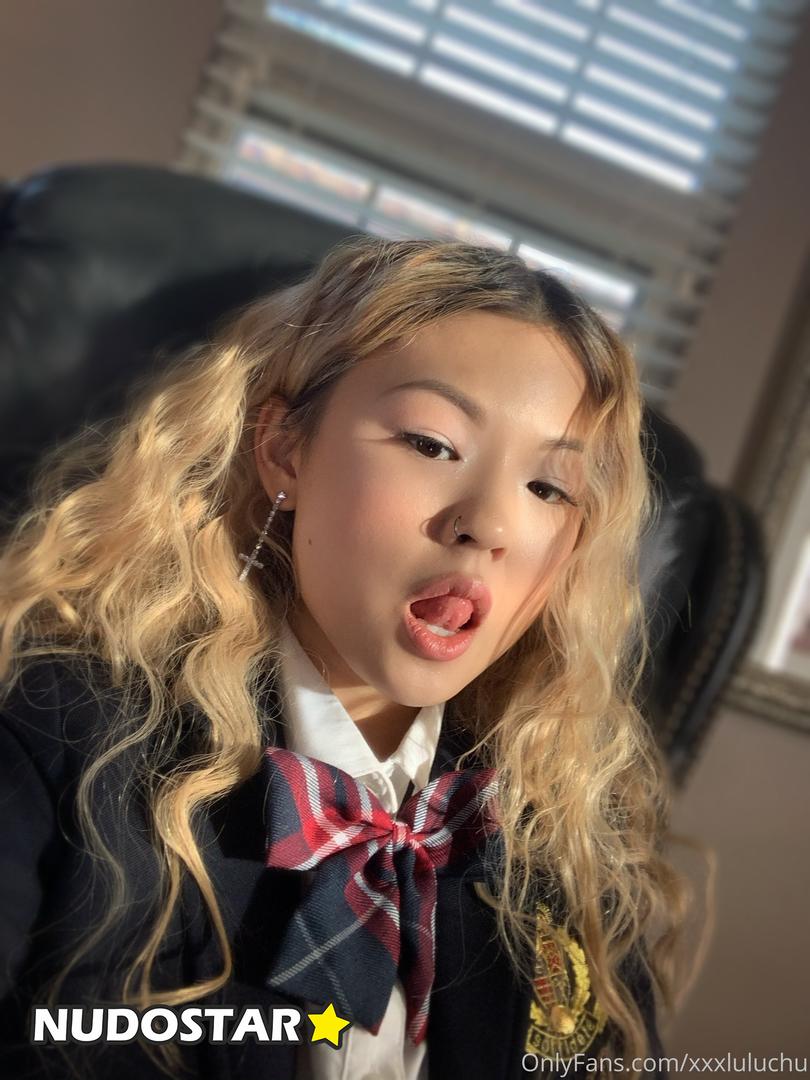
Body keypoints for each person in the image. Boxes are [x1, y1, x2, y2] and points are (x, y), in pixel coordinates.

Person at [0, 237, 690, 1079]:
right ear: (285, 450)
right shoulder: (51, 728)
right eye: (432, 444)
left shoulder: (563, 834)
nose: (488, 526)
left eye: (548, 488)